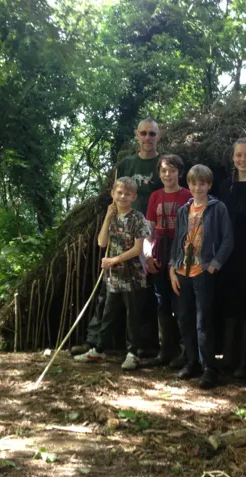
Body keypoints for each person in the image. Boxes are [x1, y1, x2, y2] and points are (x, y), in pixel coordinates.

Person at [71, 118, 162, 357]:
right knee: (107, 294)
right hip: (120, 232)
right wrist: (110, 219)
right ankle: (95, 342)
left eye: (152, 133)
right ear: (137, 135)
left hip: (148, 232)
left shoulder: (162, 165)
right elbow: (116, 194)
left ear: (158, 136)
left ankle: (144, 346)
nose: (147, 138)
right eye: (143, 133)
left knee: (142, 295)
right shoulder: (126, 164)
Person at [74, 177, 151, 370]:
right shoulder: (112, 217)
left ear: (134, 196)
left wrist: (114, 261)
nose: (123, 196)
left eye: (127, 193)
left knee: (132, 316)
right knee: (108, 314)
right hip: (113, 278)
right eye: (119, 192)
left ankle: (133, 353)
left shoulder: (137, 218)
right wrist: (108, 217)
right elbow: (102, 243)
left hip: (133, 276)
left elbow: (137, 249)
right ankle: (99, 350)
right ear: (113, 194)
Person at [169, 165, 233, 389]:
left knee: (203, 321)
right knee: (184, 318)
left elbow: (228, 240)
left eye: (203, 183)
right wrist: (171, 268)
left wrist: (214, 266)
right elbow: (178, 241)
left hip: (203, 272)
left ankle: (209, 368)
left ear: (209, 185)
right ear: (189, 185)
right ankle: (192, 361)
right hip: (182, 271)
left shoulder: (218, 208)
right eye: (194, 183)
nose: (198, 187)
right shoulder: (183, 211)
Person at [218, 138, 246, 379]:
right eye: (238, 155)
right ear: (232, 157)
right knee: (230, 305)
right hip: (228, 256)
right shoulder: (225, 186)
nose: (243, 159)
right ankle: (228, 358)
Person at [144, 154, 193, 367]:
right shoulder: (155, 196)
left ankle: (186, 352)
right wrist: (147, 254)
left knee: (182, 303)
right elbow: (148, 229)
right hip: (159, 254)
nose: (167, 175)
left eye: (172, 171)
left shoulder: (188, 195)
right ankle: (166, 350)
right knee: (162, 302)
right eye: (163, 171)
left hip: (181, 253)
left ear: (179, 173)